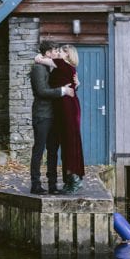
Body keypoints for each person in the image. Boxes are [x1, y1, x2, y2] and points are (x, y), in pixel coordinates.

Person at [29, 40, 73, 195]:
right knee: (39, 150)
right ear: (47, 53)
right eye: (54, 51)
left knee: (53, 151)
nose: (56, 53)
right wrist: (62, 91)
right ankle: (35, 184)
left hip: (54, 116)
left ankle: (53, 185)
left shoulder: (51, 66)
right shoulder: (38, 69)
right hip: (42, 115)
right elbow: (41, 91)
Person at [50, 45, 85, 193]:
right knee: (72, 142)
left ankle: (74, 180)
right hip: (71, 107)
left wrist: (40, 57)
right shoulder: (70, 68)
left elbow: (39, 59)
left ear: (67, 54)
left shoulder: (60, 64)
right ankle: (72, 179)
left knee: (69, 143)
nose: (57, 53)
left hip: (67, 109)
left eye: (60, 51)